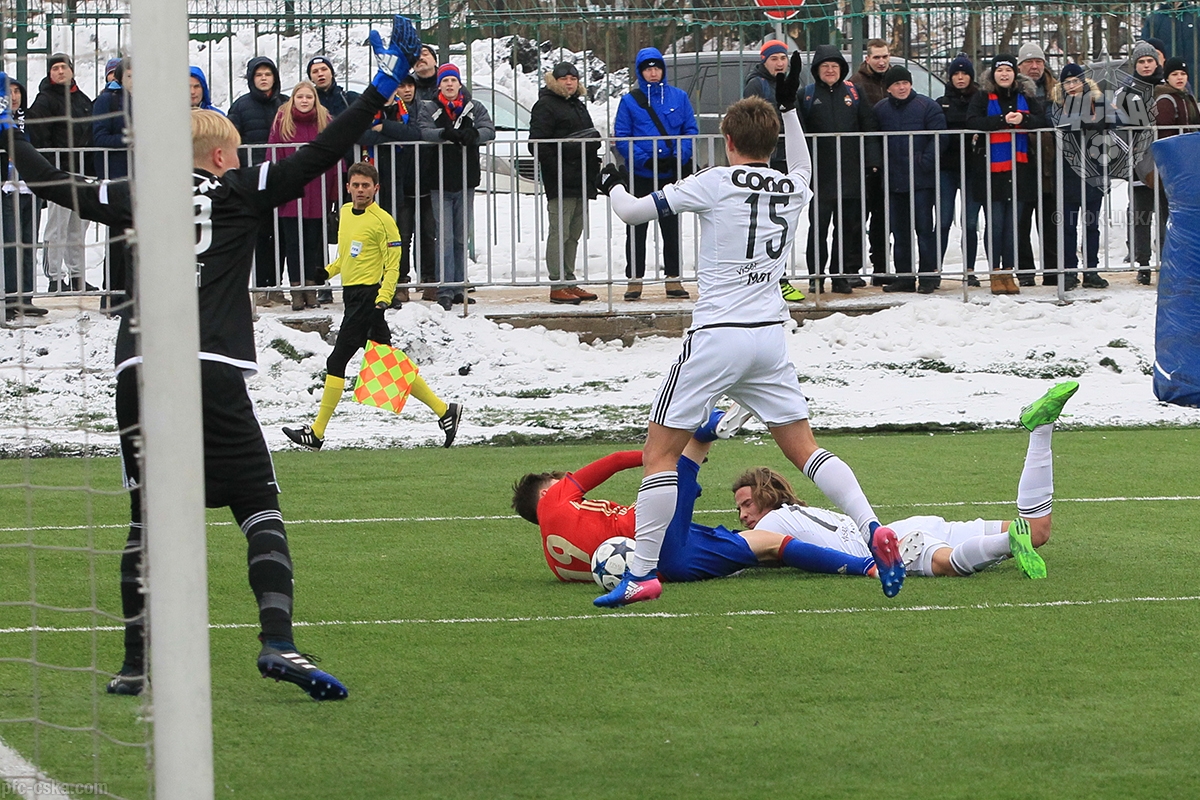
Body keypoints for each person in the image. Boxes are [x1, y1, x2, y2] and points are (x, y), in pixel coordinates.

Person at [0, 15, 421, 701]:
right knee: (257, 505)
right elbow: (327, 150)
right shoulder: (242, 188)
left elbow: (51, 182)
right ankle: (278, 640)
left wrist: (9, 131)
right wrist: (382, 84)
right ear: (224, 157)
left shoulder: (140, 193)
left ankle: (136, 663)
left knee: (146, 517)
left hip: (139, 367)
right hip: (211, 363)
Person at [591, 54, 905, 608]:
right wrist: (790, 108)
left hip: (718, 334)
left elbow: (633, 212)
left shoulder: (715, 181)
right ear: (772, 141)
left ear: (728, 140)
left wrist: (610, 178)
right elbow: (803, 165)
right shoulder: (792, 186)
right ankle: (872, 525)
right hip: (770, 337)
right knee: (806, 450)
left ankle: (640, 573)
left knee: (660, 455)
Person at [735, 382, 1078, 581]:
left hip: (895, 546)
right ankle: (1041, 428)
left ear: (767, 496)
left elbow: (734, 553)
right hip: (905, 529)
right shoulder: (801, 514)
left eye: (747, 503)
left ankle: (1007, 542)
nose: (743, 515)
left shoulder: (771, 524)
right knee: (1037, 531)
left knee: (949, 565)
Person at [512, 407, 881, 587]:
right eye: (557, 479)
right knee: (686, 453)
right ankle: (708, 427)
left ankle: (867, 568)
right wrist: (658, 457)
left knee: (769, 544)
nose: (564, 479)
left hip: (667, 570)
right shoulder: (555, 498)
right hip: (655, 536)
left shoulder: (555, 565)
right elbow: (611, 462)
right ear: (545, 491)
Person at [281, 161, 461, 450]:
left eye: (366, 185)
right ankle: (444, 411)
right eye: (356, 185)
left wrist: (383, 298)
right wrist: (327, 272)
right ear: (348, 187)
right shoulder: (345, 213)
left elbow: (393, 266)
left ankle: (316, 433)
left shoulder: (384, 221)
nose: (360, 190)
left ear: (376, 188)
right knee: (388, 362)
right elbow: (347, 257)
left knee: (336, 362)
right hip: (352, 296)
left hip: (369, 299)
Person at [612, 47, 697, 301]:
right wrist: (645, 160)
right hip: (642, 173)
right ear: (640, 72)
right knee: (636, 226)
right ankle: (634, 279)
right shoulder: (629, 101)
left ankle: (673, 278)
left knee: (671, 227)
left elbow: (690, 130)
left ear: (663, 69)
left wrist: (679, 156)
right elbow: (622, 136)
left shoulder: (679, 97)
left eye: (656, 67)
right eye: (648, 68)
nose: (653, 72)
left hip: (670, 172)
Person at [800, 45, 882, 295]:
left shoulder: (854, 93)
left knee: (846, 229)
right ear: (817, 70)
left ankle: (840, 276)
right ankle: (816, 276)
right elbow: (800, 134)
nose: (830, 70)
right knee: (818, 229)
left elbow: (868, 127)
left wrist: (872, 161)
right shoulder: (806, 95)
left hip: (850, 173)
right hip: (820, 175)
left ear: (841, 69)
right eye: (825, 66)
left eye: (834, 66)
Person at [967, 54, 1047, 296]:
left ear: (1015, 73)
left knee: (1014, 225)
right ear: (993, 73)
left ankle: (1009, 272)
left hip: (1020, 168)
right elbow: (973, 121)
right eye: (1000, 70)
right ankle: (995, 272)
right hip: (991, 169)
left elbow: (1043, 120)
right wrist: (1002, 120)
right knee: (996, 223)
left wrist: (1024, 118)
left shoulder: (1026, 95)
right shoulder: (982, 96)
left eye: (1008, 70)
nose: (1004, 74)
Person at [420, 63, 495, 311]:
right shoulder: (429, 108)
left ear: (459, 83)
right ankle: (445, 289)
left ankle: (460, 286)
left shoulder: (474, 107)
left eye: (453, 80)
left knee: (461, 237)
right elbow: (423, 132)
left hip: (466, 180)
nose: (450, 84)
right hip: (439, 180)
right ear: (439, 85)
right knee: (445, 237)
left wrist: (474, 135)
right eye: (445, 80)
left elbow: (489, 129)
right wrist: (444, 134)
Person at [528, 61, 601, 305]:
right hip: (561, 179)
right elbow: (537, 144)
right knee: (559, 232)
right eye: (564, 78)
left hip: (581, 178)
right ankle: (557, 283)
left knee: (573, 233)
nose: (569, 82)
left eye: (573, 78)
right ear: (555, 81)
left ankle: (569, 279)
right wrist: (558, 168)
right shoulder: (546, 105)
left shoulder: (577, 105)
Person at [359, 75, 436, 305]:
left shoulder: (405, 111)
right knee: (383, 237)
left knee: (405, 235)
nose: (403, 90)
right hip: (374, 180)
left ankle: (406, 281)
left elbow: (413, 133)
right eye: (398, 86)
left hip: (400, 181)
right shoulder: (367, 109)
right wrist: (391, 134)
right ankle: (384, 282)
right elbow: (361, 134)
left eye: (408, 85)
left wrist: (384, 127)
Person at [874, 65, 947, 294]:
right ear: (888, 88)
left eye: (905, 82)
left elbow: (939, 138)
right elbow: (873, 139)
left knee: (924, 230)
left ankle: (928, 276)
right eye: (897, 84)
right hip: (894, 180)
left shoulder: (927, 106)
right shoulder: (880, 110)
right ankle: (905, 277)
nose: (902, 87)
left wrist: (925, 162)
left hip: (921, 181)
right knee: (900, 232)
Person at [25, 52, 94, 294]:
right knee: (57, 227)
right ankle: (54, 277)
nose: (60, 71)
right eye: (55, 68)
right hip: (58, 173)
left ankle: (77, 276)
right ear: (49, 73)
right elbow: (38, 135)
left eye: (64, 67)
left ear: (72, 70)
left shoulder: (82, 100)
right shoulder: (44, 101)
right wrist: (49, 168)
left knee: (78, 227)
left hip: (82, 173)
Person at [268, 81, 340, 310]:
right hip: (290, 193)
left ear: (314, 99)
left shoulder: (325, 120)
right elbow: (273, 154)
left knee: (312, 243)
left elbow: (335, 155)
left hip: (318, 191)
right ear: (293, 99)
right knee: (293, 244)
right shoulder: (282, 121)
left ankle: (310, 289)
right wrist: (276, 185)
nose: (305, 101)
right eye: (300, 97)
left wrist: (334, 189)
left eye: (309, 97)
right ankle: (296, 290)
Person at [744, 40, 806, 303]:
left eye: (783, 58)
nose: (780, 63)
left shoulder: (791, 82)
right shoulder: (756, 84)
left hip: (785, 159)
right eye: (774, 59)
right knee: (767, 223)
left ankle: (778, 277)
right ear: (764, 61)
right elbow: (753, 120)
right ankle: (772, 279)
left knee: (782, 221)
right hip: (764, 160)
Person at [227, 56, 288, 302]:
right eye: (258, 74)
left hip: (281, 177)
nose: (263, 78)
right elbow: (231, 139)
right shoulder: (241, 106)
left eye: (268, 74)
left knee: (282, 234)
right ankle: (263, 288)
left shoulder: (285, 103)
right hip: (254, 179)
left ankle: (278, 286)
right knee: (261, 234)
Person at [1051, 63, 1110, 289]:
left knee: (1091, 226)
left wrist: (1078, 121)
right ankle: (1069, 271)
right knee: (1067, 226)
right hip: (1066, 174)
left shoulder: (1098, 102)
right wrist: (1085, 121)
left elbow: (1108, 120)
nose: (1072, 85)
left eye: (1076, 81)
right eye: (1067, 82)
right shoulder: (1056, 105)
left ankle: (1091, 270)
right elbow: (1056, 123)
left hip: (1094, 173)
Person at [1114, 41, 1164, 286]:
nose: (1146, 66)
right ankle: (1143, 264)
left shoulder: (1166, 87)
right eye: (1141, 62)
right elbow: (1122, 126)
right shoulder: (1126, 91)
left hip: (1166, 162)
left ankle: (1166, 261)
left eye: (1149, 61)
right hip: (1139, 163)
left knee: (1166, 215)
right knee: (1141, 216)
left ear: (1157, 62)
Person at [937, 54, 986, 286]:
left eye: (964, 73)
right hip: (946, 169)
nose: (960, 78)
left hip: (973, 168)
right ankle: (935, 269)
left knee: (970, 222)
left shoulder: (980, 100)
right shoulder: (941, 102)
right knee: (943, 221)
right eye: (955, 74)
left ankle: (969, 270)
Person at [1015, 43, 1060, 288]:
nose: (1034, 67)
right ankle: (1025, 272)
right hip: (1023, 162)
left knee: (1051, 222)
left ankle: (1053, 273)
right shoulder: (1014, 89)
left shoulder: (1057, 90)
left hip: (1051, 164)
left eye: (1039, 62)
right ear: (1020, 65)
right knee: (1021, 222)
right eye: (1029, 62)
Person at [1, 78, 46, 321]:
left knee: (29, 243)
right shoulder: (2, 122)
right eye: (9, 91)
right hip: (7, 189)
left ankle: (26, 297)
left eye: (18, 91)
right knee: (10, 244)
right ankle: (9, 298)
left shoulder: (31, 119)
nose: (14, 96)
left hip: (31, 189)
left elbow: (44, 145)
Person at [853, 39, 893, 287]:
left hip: (891, 161)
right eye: (876, 57)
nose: (881, 61)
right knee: (858, 218)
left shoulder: (895, 80)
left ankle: (881, 267)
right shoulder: (856, 83)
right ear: (867, 59)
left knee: (883, 219)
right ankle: (852, 269)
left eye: (885, 56)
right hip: (863, 161)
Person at [91, 58, 131, 303]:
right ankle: (112, 297)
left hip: (141, 177)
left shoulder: (145, 100)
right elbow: (99, 136)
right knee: (118, 239)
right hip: (116, 179)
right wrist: (129, 139)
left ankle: (133, 294)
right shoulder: (107, 100)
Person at [1151, 57, 1200, 252]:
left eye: (1183, 74)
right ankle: (1168, 253)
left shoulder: (1186, 96)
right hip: (1175, 166)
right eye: (1174, 74)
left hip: (1188, 164)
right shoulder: (1165, 99)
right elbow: (1166, 136)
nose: (1179, 77)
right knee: (1171, 212)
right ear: (1167, 77)